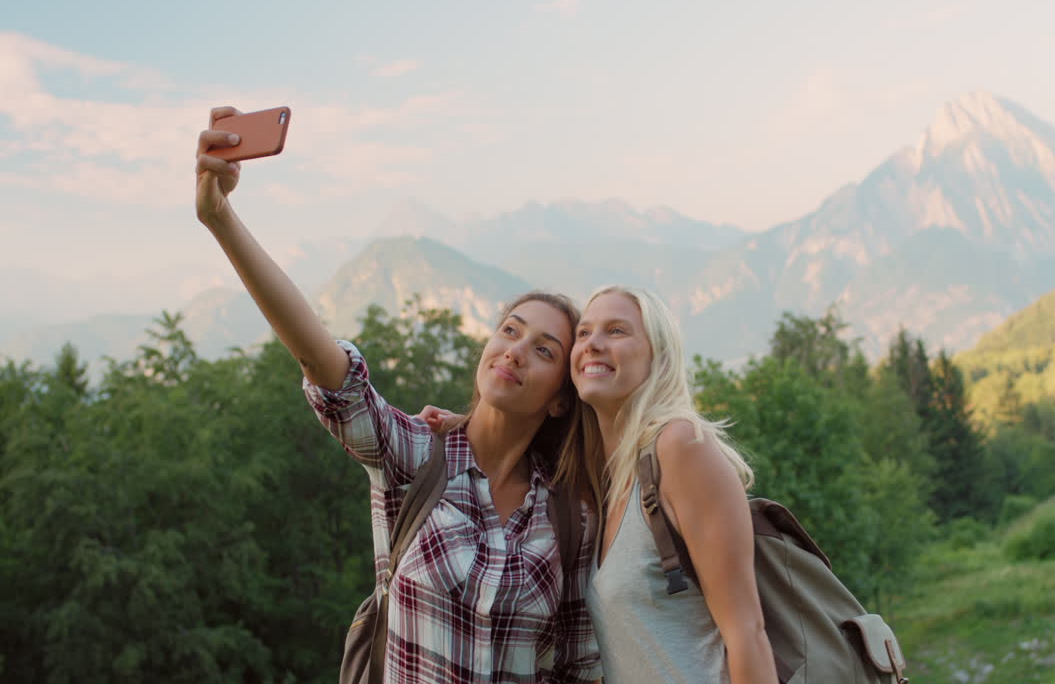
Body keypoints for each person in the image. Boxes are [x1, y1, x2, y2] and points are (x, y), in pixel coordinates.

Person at [194, 106, 601, 683]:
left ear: (560, 398)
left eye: (543, 350)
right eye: (510, 330)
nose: (515, 350)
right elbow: (324, 364)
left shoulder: (569, 518)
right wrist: (220, 218)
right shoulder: (416, 456)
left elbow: (578, 668)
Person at [420, 286, 774, 684]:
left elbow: (748, 635)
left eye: (617, 331)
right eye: (584, 333)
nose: (593, 344)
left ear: (658, 357)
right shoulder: (597, 482)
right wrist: (464, 428)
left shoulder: (680, 447)